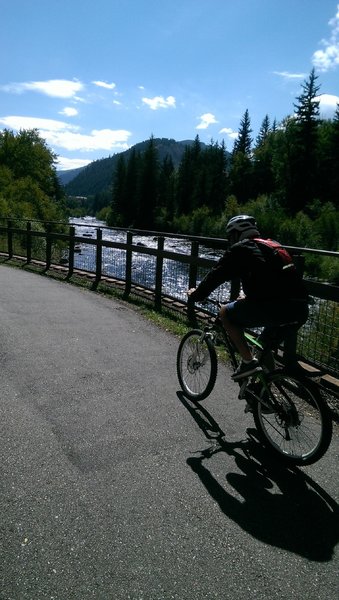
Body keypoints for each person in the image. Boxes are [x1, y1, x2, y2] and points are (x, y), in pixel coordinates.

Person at [188, 215, 309, 380]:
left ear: (237, 234)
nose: (230, 241)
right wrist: (249, 295)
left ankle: (247, 362)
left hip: (275, 308)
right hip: (300, 309)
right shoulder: (272, 245)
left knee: (225, 312)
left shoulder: (240, 249)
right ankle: (264, 399)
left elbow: (216, 275)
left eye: (230, 236)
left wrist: (196, 294)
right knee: (262, 347)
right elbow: (271, 279)